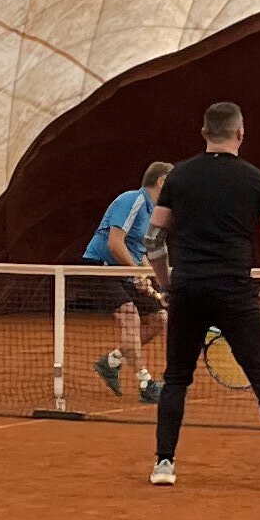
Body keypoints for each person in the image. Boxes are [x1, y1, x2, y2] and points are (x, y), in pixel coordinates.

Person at [147, 100, 260, 489]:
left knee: (175, 379)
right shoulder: (256, 180)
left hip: (188, 290)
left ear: (204, 133)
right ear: (240, 134)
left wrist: (167, 284)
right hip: (235, 293)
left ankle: (163, 464)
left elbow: (153, 239)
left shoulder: (178, 177)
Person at [82, 160, 170, 402]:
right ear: (161, 181)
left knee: (160, 318)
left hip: (123, 270)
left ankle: (111, 362)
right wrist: (136, 273)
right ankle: (146, 384)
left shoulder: (154, 214)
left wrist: (145, 275)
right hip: (99, 267)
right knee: (130, 316)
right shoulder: (133, 200)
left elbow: (140, 251)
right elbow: (115, 243)